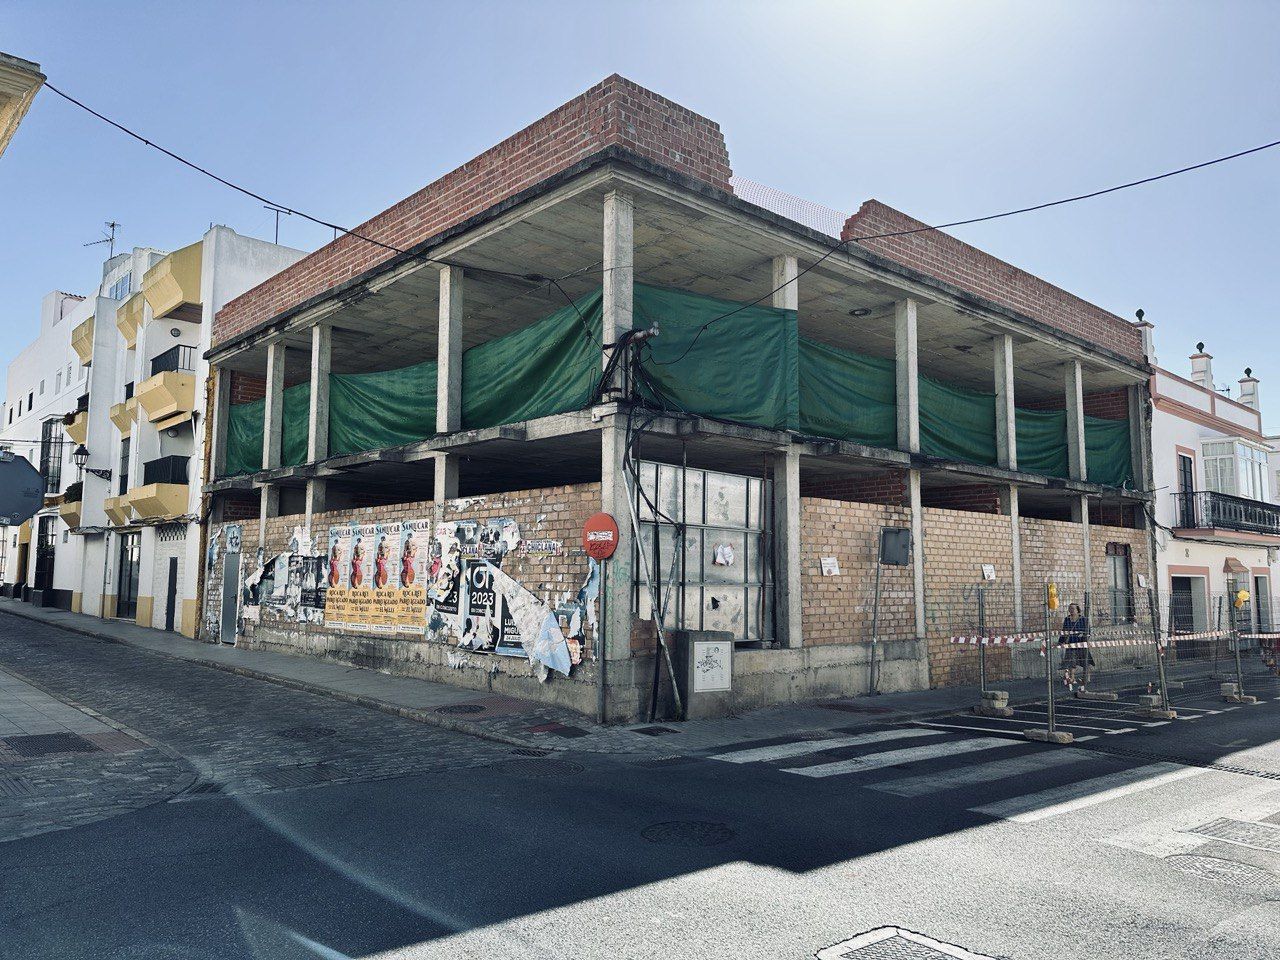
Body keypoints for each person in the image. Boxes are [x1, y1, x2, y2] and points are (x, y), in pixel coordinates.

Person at [1057, 602, 1093, 687]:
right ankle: (1072, 678)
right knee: (1071, 661)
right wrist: (1061, 641)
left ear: (1077, 610)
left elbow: (1088, 631)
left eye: (1073, 608)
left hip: (1082, 642)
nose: (1071, 610)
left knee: (1085, 661)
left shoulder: (1083, 619)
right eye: (1070, 608)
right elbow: (1064, 631)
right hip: (1071, 643)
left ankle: (1086, 677)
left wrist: (1086, 638)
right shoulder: (1067, 619)